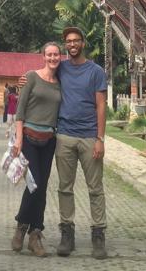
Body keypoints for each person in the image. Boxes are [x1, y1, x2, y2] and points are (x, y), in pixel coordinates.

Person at [55, 26, 108, 259]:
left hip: (89, 137)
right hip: (64, 135)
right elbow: (43, 74)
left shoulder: (96, 71)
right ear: (65, 44)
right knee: (64, 188)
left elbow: (101, 105)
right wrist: (26, 79)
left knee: (95, 189)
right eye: (68, 41)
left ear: (83, 43)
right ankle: (67, 233)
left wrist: (100, 139)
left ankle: (98, 234)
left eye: (76, 40)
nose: (72, 44)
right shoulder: (61, 68)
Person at [10, 42, 62, 257]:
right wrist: (19, 140)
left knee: (41, 186)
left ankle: (34, 234)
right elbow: (20, 111)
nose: (52, 58)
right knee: (35, 184)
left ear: (60, 57)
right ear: (43, 56)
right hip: (29, 138)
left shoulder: (61, 82)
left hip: (49, 140)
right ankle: (22, 226)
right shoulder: (31, 77)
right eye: (49, 54)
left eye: (56, 54)